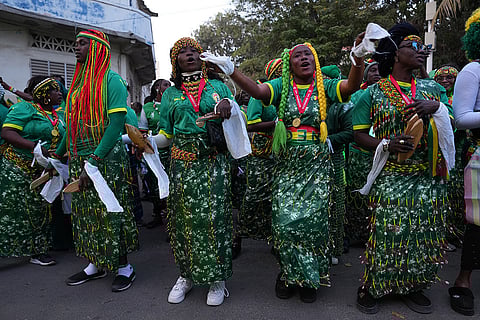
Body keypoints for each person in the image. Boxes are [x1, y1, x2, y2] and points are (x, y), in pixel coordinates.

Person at [207, 34, 365, 302]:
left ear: (314, 61)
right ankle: (287, 274)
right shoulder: (281, 85)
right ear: (288, 63)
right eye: (297, 55)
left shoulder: (324, 85)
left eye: (307, 54)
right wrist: (231, 70)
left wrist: (358, 57)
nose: (303, 57)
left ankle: (310, 279)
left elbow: (351, 86)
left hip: (316, 165)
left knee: (313, 226)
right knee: (284, 224)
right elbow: (257, 92)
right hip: (287, 165)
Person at [352, 23, 454, 314]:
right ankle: (373, 287)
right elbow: (358, 135)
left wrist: (436, 108)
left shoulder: (433, 89)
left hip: (427, 175)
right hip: (392, 176)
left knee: (422, 234)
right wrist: (386, 143)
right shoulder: (372, 93)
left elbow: (453, 122)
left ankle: (413, 286)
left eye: (422, 47)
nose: (420, 51)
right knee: (388, 233)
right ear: (396, 54)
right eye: (413, 46)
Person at [52, 29, 138, 292]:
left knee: (111, 211)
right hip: (80, 158)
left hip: (106, 158)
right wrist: (58, 153)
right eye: (75, 44)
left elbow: (116, 124)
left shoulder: (111, 81)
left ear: (98, 48)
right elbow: (72, 125)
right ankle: (95, 265)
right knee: (86, 214)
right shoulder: (77, 86)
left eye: (82, 44)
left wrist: (95, 159)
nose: (75, 48)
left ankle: (124, 267)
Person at [155, 37, 235, 306]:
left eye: (194, 51)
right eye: (183, 52)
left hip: (213, 163)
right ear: (175, 61)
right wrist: (144, 141)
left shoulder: (217, 86)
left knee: (214, 219)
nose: (189, 55)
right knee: (183, 222)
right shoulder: (170, 94)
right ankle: (186, 276)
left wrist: (229, 105)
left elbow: (236, 120)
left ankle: (217, 278)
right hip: (182, 167)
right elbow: (166, 135)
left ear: (202, 57)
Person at [0, 76, 64, 265]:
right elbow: (7, 133)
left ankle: (38, 251)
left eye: (60, 90)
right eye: (55, 90)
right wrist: (34, 146)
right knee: (11, 212)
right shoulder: (24, 108)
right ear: (43, 94)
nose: (60, 93)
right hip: (17, 168)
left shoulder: (57, 115)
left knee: (40, 211)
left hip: (42, 172)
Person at [449, 8, 480, 317]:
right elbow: (461, 118)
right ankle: (463, 281)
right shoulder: (474, 70)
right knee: (478, 222)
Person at [344, 59, 381, 252]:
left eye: (379, 70)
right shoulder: (358, 94)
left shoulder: (388, 94)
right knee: (357, 193)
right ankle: (355, 234)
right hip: (361, 152)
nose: (376, 73)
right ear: (365, 74)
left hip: (383, 154)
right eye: (372, 70)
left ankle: (375, 234)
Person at [434, 65, 464, 252]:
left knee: (458, 195)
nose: (445, 81)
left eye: (450, 78)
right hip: (440, 152)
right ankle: (443, 236)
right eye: (441, 79)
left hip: (461, 152)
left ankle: (457, 234)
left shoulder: (462, 97)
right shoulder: (436, 97)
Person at [142, 78, 171, 229]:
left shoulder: (174, 103)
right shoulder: (147, 107)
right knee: (154, 184)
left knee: (170, 184)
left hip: (172, 151)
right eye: (165, 85)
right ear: (156, 88)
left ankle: (171, 221)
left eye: (170, 85)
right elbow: (142, 129)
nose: (169, 87)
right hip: (152, 151)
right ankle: (157, 215)